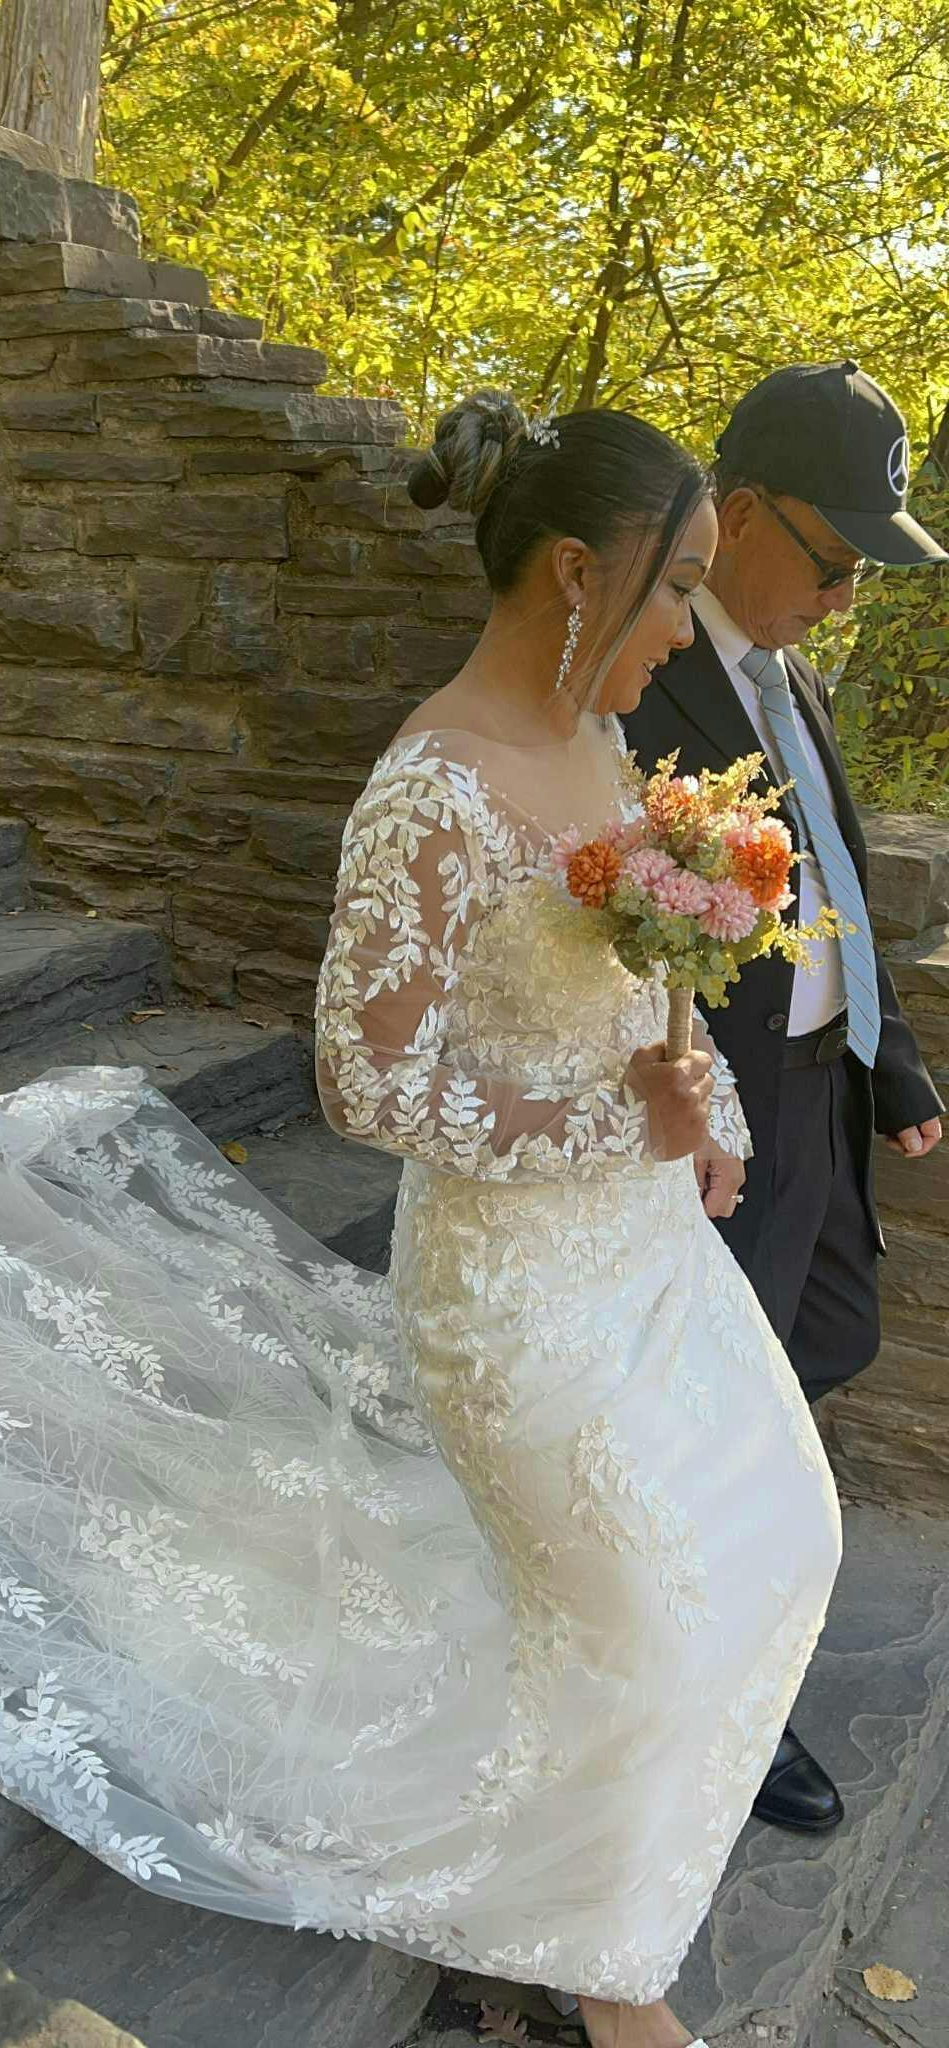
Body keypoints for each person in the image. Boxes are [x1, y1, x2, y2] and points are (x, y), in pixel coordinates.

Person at [0, 396, 842, 2048]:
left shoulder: (604, 741)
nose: (683, 626)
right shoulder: (430, 791)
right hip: (513, 1292)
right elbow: (365, 1085)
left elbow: (632, 984)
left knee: (786, 1526)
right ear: (579, 574)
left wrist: (697, 1100)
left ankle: (618, 1871)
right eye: (674, 585)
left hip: (645, 1253)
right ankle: (607, 1974)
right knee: (641, 1610)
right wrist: (612, 1128)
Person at [622, 361, 945, 1843]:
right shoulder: (639, 679)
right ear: (739, 511)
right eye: (832, 561)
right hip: (717, 1130)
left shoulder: (792, 677)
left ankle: (727, 1592)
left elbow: (835, 891)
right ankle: (718, 1699)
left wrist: (892, 1064)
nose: (845, 596)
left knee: (828, 1339)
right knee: (712, 1414)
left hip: (819, 1097)